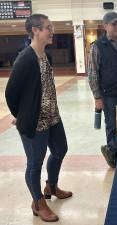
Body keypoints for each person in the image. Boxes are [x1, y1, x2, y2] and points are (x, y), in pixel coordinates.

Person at [5, 14, 72, 222]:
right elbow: (11, 93)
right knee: (34, 163)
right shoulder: (25, 59)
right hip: (35, 122)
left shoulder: (46, 55)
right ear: (35, 30)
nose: (52, 31)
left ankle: (51, 185)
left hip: (53, 117)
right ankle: (38, 202)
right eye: (48, 28)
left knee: (61, 149)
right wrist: (22, 115)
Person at [88, 12, 117, 168]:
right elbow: (93, 72)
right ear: (105, 26)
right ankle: (112, 155)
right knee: (113, 126)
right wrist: (97, 97)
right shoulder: (97, 46)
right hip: (109, 96)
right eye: (113, 24)